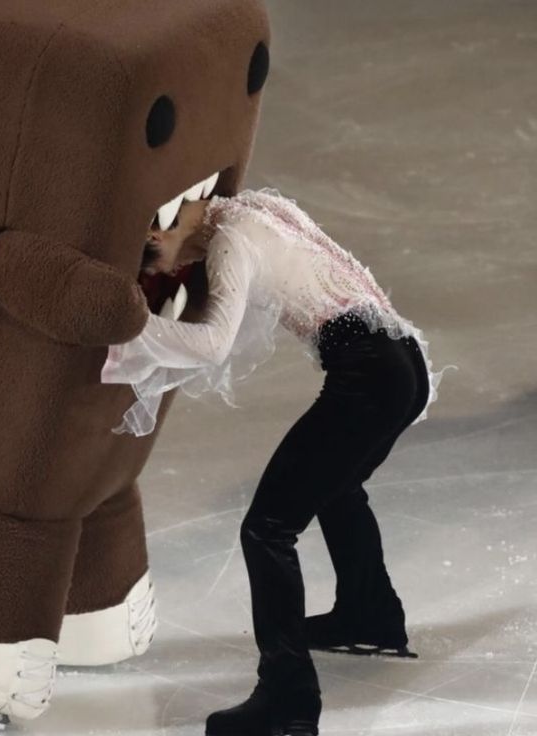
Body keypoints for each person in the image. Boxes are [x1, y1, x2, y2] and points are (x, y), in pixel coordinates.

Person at [102, 189, 444, 736]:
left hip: (371, 376)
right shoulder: (248, 206)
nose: (164, 275)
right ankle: (370, 612)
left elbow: (212, 344)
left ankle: (288, 699)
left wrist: (120, 336)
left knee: (267, 529)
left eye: (152, 265)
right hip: (402, 363)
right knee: (337, 485)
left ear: (153, 234)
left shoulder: (231, 243)